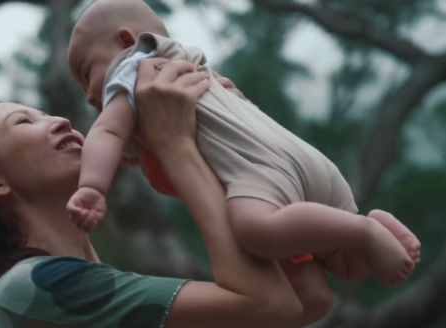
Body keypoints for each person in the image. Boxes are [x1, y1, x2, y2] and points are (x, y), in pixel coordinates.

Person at [0, 59, 332, 328]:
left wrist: (230, 142)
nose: (60, 120)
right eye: (23, 121)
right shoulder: (34, 287)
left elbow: (303, 303)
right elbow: (270, 304)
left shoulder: (85, 293)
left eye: (45, 112)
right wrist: (174, 143)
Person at [65, 0, 421, 287]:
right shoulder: (193, 65)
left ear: (126, 41)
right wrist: (124, 153)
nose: (87, 94)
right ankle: (374, 223)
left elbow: (107, 133)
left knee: (255, 229)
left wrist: (93, 186)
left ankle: (364, 229)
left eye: (86, 73)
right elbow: (128, 140)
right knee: (344, 264)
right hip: (307, 161)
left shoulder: (132, 67)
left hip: (261, 173)